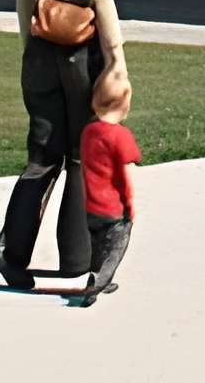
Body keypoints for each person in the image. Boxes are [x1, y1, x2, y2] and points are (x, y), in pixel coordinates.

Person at [0, 0, 126, 288]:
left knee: (42, 155)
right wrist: (117, 58)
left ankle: (14, 254)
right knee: (83, 156)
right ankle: (77, 259)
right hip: (81, 53)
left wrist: (33, 49)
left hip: (40, 51)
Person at [71, 67, 140, 307]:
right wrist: (129, 206)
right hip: (113, 207)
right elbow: (124, 171)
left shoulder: (88, 132)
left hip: (91, 205)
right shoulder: (120, 135)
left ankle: (98, 276)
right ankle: (99, 281)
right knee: (117, 244)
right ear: (122, 105)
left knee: (97, 243)